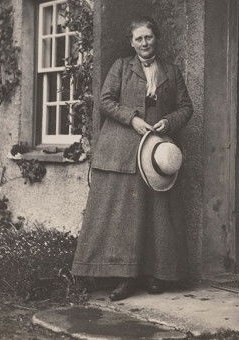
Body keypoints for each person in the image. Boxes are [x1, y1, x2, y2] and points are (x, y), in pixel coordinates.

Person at [71, 16, 193, 301]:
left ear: (156, 38)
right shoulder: (120, 67)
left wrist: (169, 122)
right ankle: (126, 278)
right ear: (131, 42)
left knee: (158, 214)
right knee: (127, 214)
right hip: (124, 147)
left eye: (148, 37)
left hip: (156, 150)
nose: (144, 43)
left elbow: (186, 108)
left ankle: (156, 275)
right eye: (138, 38)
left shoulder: (172, 71)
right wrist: (132, 118)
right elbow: (105, 101)